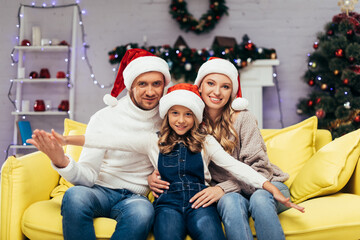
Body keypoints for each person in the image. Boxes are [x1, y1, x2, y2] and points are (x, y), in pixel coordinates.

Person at [31, 83, 304, 240]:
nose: (181, 120)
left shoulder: (207, 141)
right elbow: (107, 140)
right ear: (167, 114)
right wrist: (67, 142)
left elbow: (238, 168)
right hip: (168, 206)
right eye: (175, 113)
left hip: (201, 204)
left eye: (188, 114)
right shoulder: (152, 140)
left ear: (196, 117)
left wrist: (270, 188)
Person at [28, 48, 172, 240]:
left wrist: (155, 174)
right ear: (130, 86)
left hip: (135, 198)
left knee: (143, 213)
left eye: (157, 84)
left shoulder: (170, 119)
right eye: (142, 84)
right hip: (99, 190)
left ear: (164, 86)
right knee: (75, 196)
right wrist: (61, 161)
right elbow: (87, 177)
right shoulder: (105, 118)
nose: (150, 91)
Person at [149, 58, 296, 240]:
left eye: (225, 86)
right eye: (211, 83)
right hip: (232, 194)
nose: (217, 92)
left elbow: (261, 171)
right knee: (230, 202)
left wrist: (223, 188)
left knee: (258, 199)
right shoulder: (188, 122)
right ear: (200, 86)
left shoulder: (243, 118)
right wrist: (151, 175)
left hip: (266, 185)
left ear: (231, 92)